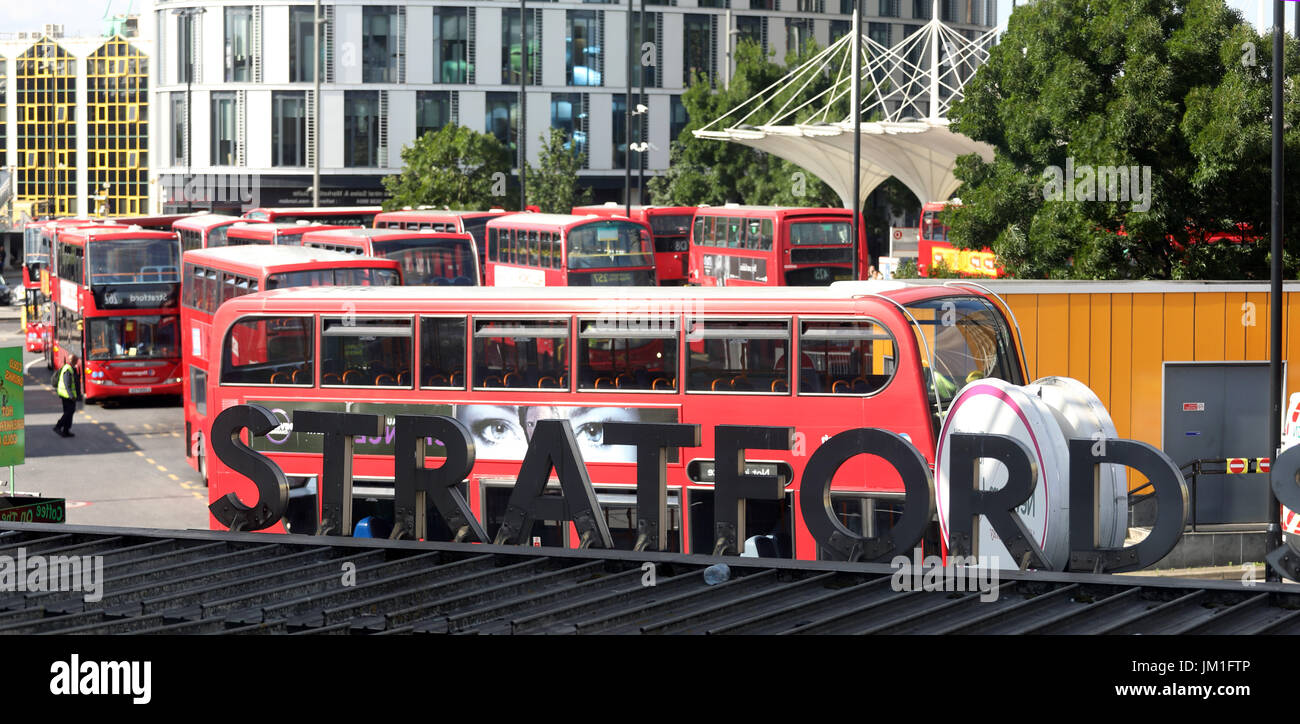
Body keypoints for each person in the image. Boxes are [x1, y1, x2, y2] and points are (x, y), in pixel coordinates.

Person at [53, 354, 82, 438]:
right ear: (73, 361)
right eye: (76, 360)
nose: (77, 362)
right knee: (69, 412)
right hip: (67, 396)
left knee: (69, 412)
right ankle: (58, 426)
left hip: (67, 395)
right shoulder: (68, 369)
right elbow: (67, 384)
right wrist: (71, 396)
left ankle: (66, 430)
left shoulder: (70, 368)